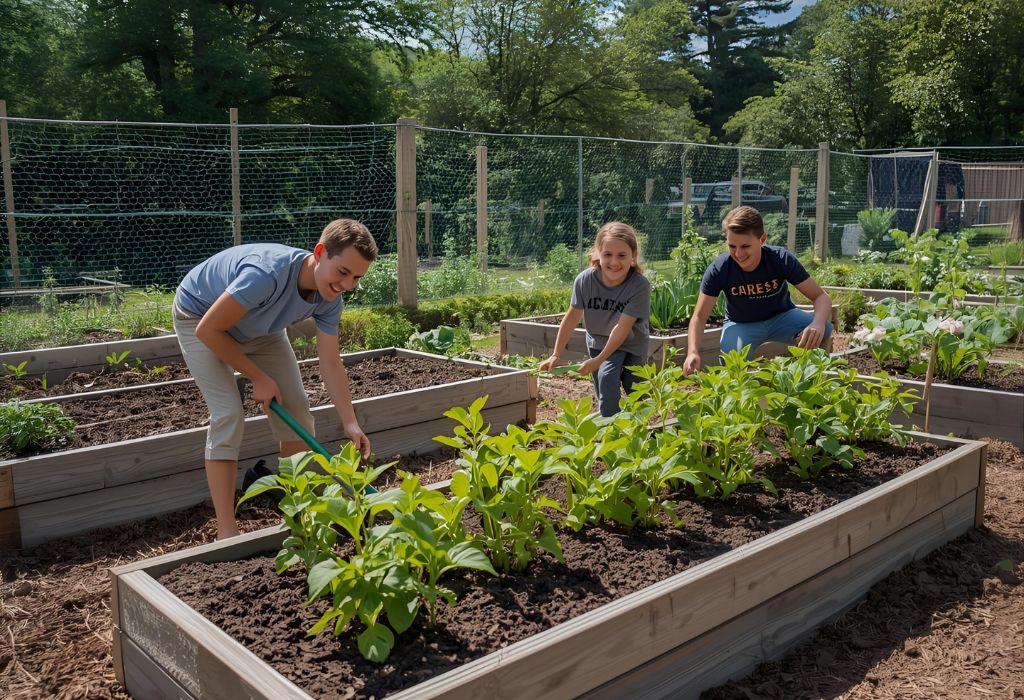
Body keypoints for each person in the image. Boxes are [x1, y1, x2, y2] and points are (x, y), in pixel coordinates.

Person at [172, 219, 377, 540]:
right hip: (200, 317)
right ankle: (226, 531)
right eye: (342, 272)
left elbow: (331, 362)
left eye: (356, 278)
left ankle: (294, 514)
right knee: (228, 415)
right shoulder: (265, 275)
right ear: (320, 252)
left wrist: (350, 423)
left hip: (258, 328)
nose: (347, 284)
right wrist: (257, 377)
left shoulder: (330, 298)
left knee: (297, 412)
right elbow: (208, 330)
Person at [683, 206, 832, 375]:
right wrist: (692, 351)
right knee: (732, 361)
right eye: (732, 246)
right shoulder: (720, 269)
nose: (738, 254)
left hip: (782, 317)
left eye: (745, 246)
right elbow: (699, 317)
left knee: (823, 330)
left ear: (762, 239)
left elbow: (820, 297)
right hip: (741, 324)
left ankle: (811, 379)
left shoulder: (780, 259)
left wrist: (817, 323)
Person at [539, 222, 651, 417]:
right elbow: (572, 316)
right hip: (599, 341)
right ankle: (611, 430)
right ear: (598, 254)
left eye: (622, 255)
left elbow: (622, 328)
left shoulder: (639, 285)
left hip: (632, 343)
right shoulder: (585, 281)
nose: (614, 262)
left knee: (637, 389)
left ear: (633, 257)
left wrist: (597, 360)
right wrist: (555, 354)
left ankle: (644, 431)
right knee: (606, 382)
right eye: (608, 254)